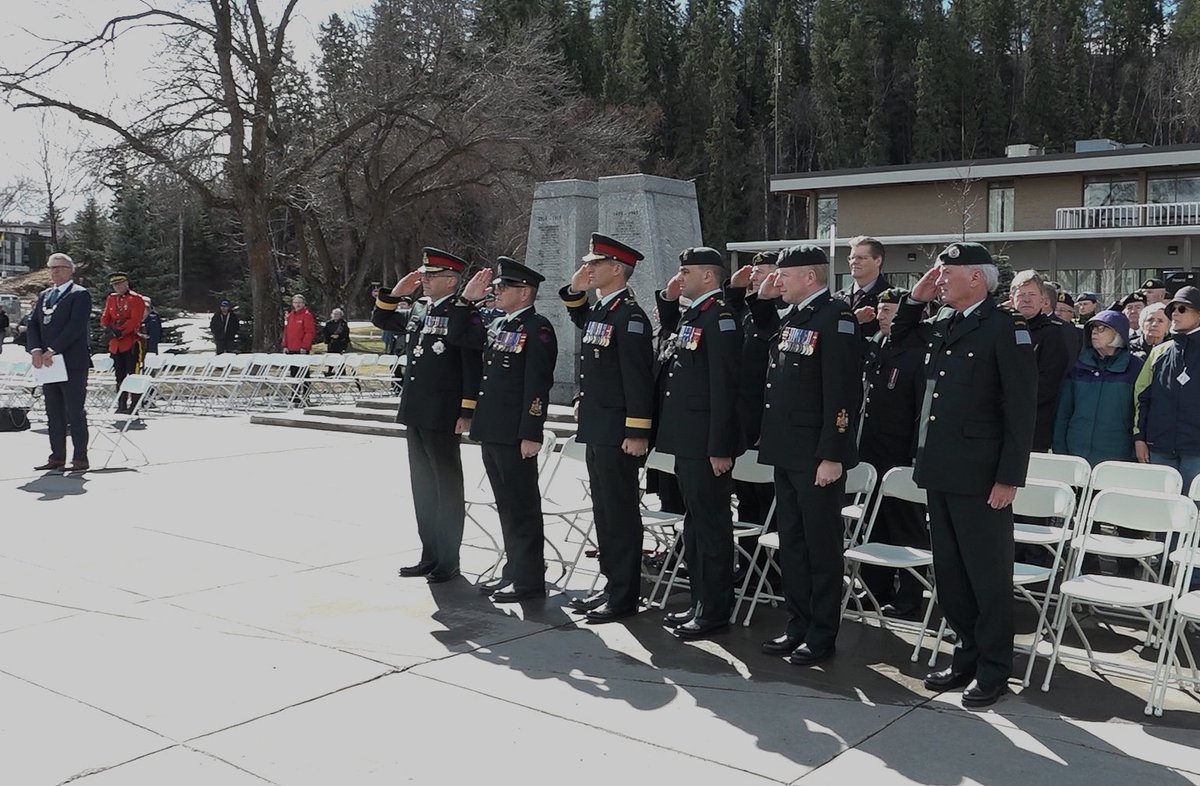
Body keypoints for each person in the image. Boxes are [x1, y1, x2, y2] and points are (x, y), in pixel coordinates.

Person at [891, 242, 1037, 708]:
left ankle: (994, 667)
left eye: (946, 270)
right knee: (951, 573)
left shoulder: (1003, 327)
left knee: (987, 573)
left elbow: (1020, 409)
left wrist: (1009, 476)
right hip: (941, 467)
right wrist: (914, 301)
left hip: (982, 475)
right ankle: (965, 654)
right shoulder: (942, 323)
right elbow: (899, 341)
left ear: (977, 277)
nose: (939, 276)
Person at [755, 244, 862, 666]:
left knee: (820, 547)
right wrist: (762, 295)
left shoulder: (836, 319)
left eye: (785, 274)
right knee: (793, 544)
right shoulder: (797, 317)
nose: (777, 280)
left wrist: (833, 454)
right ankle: (796, 623)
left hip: (818, 456)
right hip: (788, 452)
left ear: (811, 277)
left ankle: (821, 633)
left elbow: (843, 393)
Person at [559, 233, 654, 623]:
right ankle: (611, 585)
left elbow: (637, 379)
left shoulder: (629, 317)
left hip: (619, 431)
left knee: (621, 513)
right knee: (604, 511)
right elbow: (578, 312)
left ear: (617, 269)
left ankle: (625, 595)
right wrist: (574, 288)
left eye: (595, 265)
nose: (588, 270)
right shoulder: (603, 310)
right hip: (598, 427)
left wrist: (637, 431)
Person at [450, 257, 557, 602]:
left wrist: (532, 432)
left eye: (503, 286)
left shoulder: (537, 329)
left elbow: (536, 385)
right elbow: (459, 335)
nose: (496, 290)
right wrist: (465, 301)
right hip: (493, 428)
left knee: (522, 506)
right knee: (507, 505)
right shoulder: (499, 325)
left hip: (515, 433)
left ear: (525, 292)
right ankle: (515, 571)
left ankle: (528, 580)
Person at [374, 248, 481, 584]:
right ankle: (429, 554)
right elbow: (384, 321)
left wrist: (467, 410)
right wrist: (395, 294)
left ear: (451, 280)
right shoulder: (421, 308)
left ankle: (448, 559)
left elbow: (470, 364)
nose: (424, 280)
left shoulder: (463, 313)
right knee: (422, 486)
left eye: (431, 276)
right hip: (417, 409)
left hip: (444, 412)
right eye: (423, 275)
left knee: (445, 487)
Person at [654, 247, 745, 639]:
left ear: (709, 277)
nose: (680, 276)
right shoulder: (695, 314)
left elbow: (725, 388)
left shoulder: (720, 317)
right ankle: (699, 603)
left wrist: (720, 446)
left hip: (707, 444)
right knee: (694, 527)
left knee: (711, 528)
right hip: (687, 441)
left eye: (686, 271)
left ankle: (715, 611)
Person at [856, 287, 929, 620]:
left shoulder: (917, 351)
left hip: (901, 453)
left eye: (890, 311)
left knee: (906, 525)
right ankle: (875, 587)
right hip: (873, 449)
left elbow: (920, 408)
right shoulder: (877, 346)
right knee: (875, 521)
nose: (883, 316)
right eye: (882, 310)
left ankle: (910, 595)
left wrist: (916, 454)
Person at [725, 251, 783, 529]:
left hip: (763, 418)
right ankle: (749, 568)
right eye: (755, 273)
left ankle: (769, 569)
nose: (755, 277)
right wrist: (735, 290)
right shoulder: (748, 313)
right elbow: (729, 316)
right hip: (741, 417)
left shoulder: (780, 312)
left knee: (766, 499)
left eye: (762, 273)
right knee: (745, 497)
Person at [27, 253, 93, 473]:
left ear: (70, 270)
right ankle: (57, 457)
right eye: (51, 268)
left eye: (60, 267)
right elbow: (33, 324)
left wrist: (53, 349)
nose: (55, 271)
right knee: (53, 411)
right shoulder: (45, 294)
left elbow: (75, 327)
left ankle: (80, 457)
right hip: (48, 364)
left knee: (74, 411)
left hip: (72, 362)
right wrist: (36, 350)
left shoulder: (79, 294)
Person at [1053, 310, 1142, 466]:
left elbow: (1140, 413)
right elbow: (1063, 412)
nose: (1094, 332)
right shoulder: (1078, 365)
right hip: (1075, 453)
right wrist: (1060, 449)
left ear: (1119, 333)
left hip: (1117, 456)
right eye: (1093, 328)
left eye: (1102, 328)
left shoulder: (1135, 367)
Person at [1134, 286, 1200, 494]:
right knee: (1161, 513)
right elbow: (1141, 398)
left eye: (1182, 309)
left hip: (1196, 451)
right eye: (1172, 309)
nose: (1174, 314)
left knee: (1194, 514)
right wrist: (1139, 439)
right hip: (1159, 447)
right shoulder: (1160, 351)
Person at [1010, 270, 1070, 453]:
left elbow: (1048, 383)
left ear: (1043, 300)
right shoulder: (1001, 329)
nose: (1026, 299)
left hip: (1033, 423)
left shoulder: (1052, 334)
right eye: (1021, 294)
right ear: (1012, 298)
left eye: (1032, 294)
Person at [99, 272, 147, 414]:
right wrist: (109, 329)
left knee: (133, 374)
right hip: (116, 345)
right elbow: (105, 317)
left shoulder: (136, 299)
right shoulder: (112, 299)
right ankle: (121, 404)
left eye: (119, 284)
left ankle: (135, 406)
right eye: (114, 285)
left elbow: (135, 320)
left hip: (131, 342)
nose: (117, 287)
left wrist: (121, 331)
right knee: (119, 375)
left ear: (126, 284)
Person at [836, 236, 891, 339]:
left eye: (861, 258)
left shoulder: (892, 298)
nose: (854, 262)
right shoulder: (837, 298)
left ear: (878, 261)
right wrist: (855, 319)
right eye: (851, 258)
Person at [283, 294, 316, 404]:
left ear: (304, 303)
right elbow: (287, 332)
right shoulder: (291, 315)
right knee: (294, 374)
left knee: (304, 373)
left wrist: (305, 346)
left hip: (301, 349)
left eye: (300, 302)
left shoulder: (307, 315)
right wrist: (285, 345)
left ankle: (306, 396)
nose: (297, 304)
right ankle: (295, 396)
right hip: (291, 348)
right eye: (296, 302)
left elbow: (309, 332)